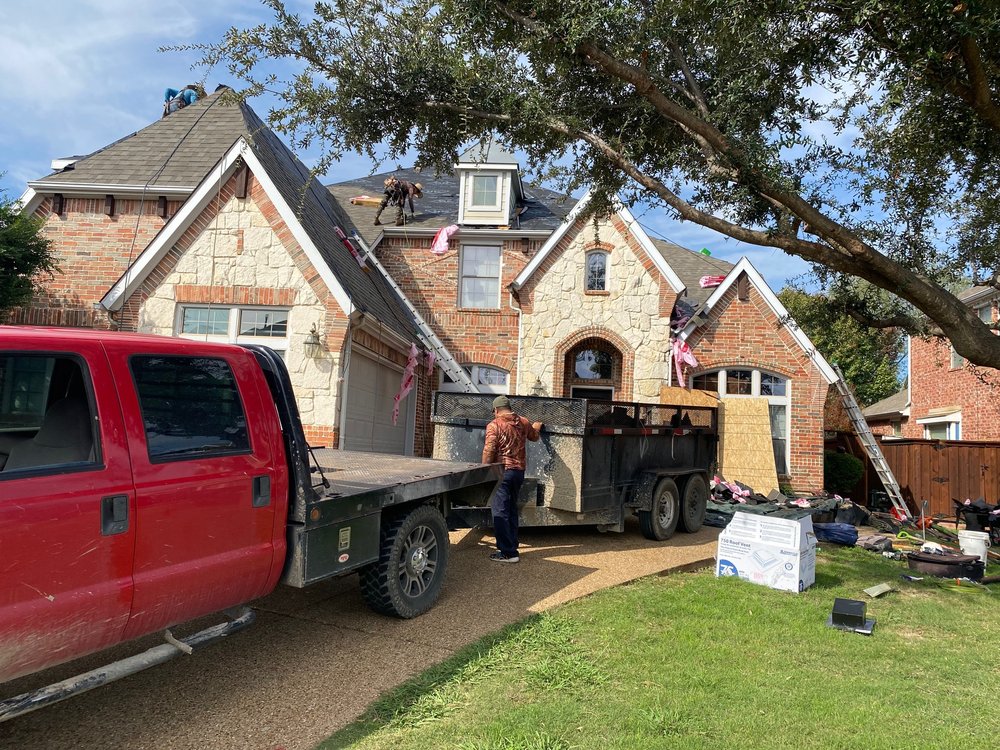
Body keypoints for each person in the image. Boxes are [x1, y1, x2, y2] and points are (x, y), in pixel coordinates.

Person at [481, 395, 543, 563]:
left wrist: (484, 471)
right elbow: (534, 436)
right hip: (519, 472)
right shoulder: (523, 421)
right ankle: (512, 544)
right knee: (511, 509)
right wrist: (536, 427)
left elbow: (489, 450)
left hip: (503, 471)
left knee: (499, 511)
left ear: (496, 410)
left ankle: (508, 553)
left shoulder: (494, 425)